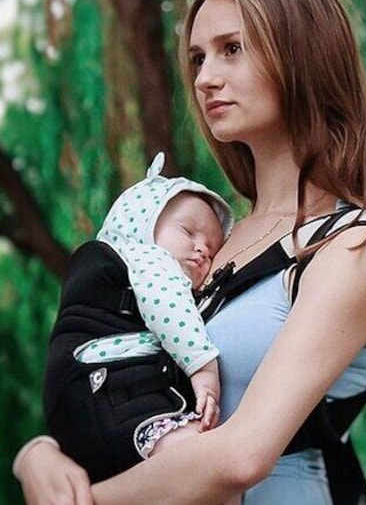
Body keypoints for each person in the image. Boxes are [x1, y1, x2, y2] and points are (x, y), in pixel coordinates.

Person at [14, 0, 366, 505]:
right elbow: (126, 370)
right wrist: (40, 453)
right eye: (197, 57)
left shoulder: (355, 245)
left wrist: (83, 500)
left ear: (303, 57)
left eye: (233, 48)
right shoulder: (209, 241)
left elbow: (241, 458)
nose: (205, 77)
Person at [38, 151, 234, 482]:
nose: (202, 250)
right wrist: (203, 370)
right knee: (201, 461)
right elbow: (168, 305)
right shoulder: (146, 259)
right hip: (107, 391)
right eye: (189, 232)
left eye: (212, 249)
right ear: (143, 222)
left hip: (80, 411)